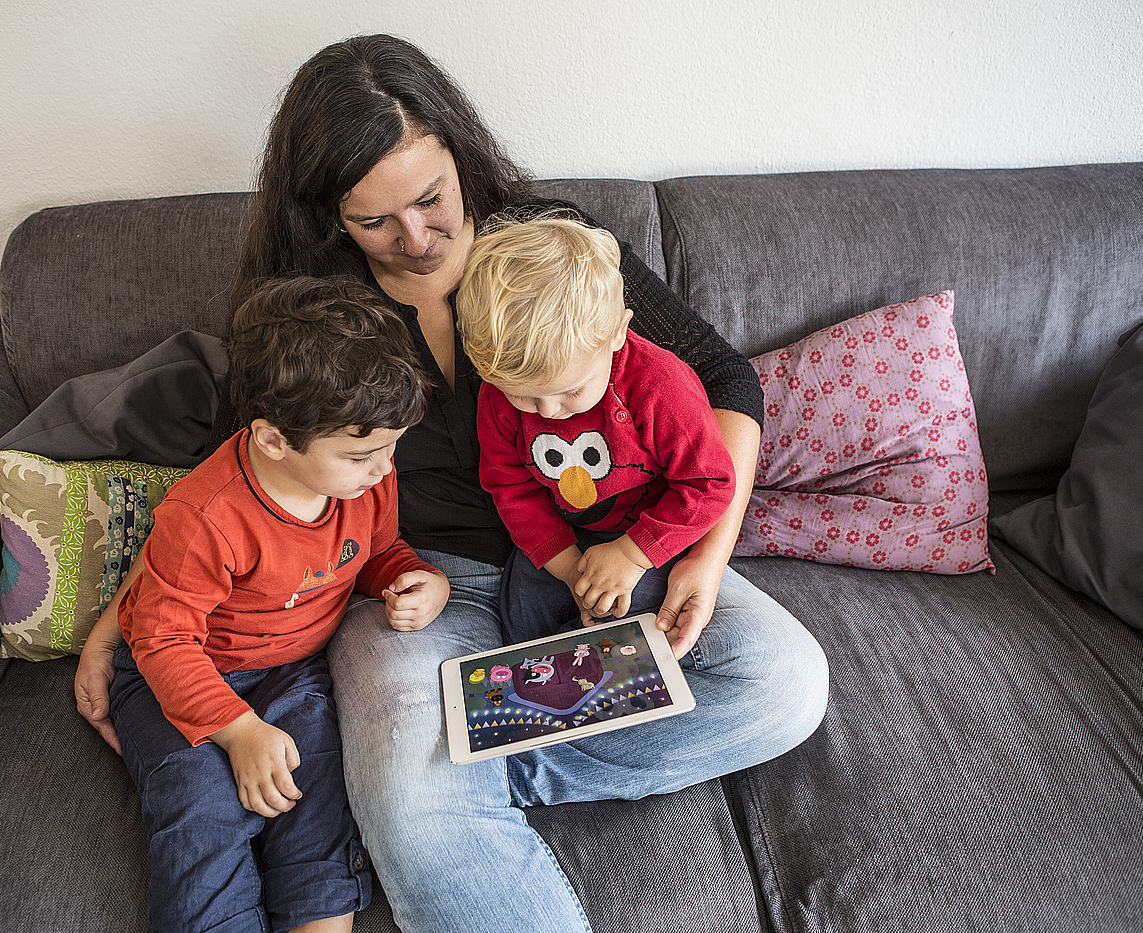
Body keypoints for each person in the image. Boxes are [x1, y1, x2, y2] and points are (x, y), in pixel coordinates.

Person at [74, 34, 828, 933]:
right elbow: (235, 472)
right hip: (415, 584)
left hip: (610, 558)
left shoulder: (554, 249)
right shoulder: (309, 309)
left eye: (432, 199)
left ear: (461, 157)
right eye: (376, 221)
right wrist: (123, 618)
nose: (419, 239)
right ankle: (431, 790)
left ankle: (465, 771)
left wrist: (704, 559)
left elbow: (723, 380)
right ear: (328, 216)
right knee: (417, 805)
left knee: (784, 680)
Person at [108, 275, 449, 933]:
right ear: (271, 440)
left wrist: (414, 576)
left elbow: (374, 554)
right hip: (177, 674)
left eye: (391, 447)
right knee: (198, 808)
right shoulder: (206, 516)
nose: (383, 468)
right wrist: (237, 730)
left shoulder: (366, 480)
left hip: (293, 671)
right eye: (361, 454)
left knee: (316, 788)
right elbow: (162, 639)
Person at [457, 213, 737, 641]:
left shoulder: (660, 386)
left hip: (649, 531)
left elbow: (709, 483)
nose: (547, 411)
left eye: (570, 391)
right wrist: (571, 570)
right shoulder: (497, 394)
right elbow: (511, 489)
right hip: (561, 538)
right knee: (523, 629)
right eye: (525, 397)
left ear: (617, 334)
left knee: (637, 626)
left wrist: (633, 554)